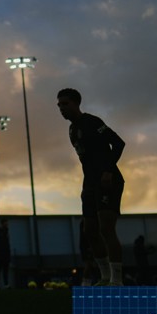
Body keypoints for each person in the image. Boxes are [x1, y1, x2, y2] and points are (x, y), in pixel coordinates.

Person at [57, 88, 126, 286]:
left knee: (106, 228)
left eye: (65, 104)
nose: (61, 108)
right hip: (89, 183)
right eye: (59, 105)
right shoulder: (71, 129)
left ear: (76, 104)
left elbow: (119, 143)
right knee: (89, 231)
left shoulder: (92, 122)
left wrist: (108, 170)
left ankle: (117, 280)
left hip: (109, 180)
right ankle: (105, 277)